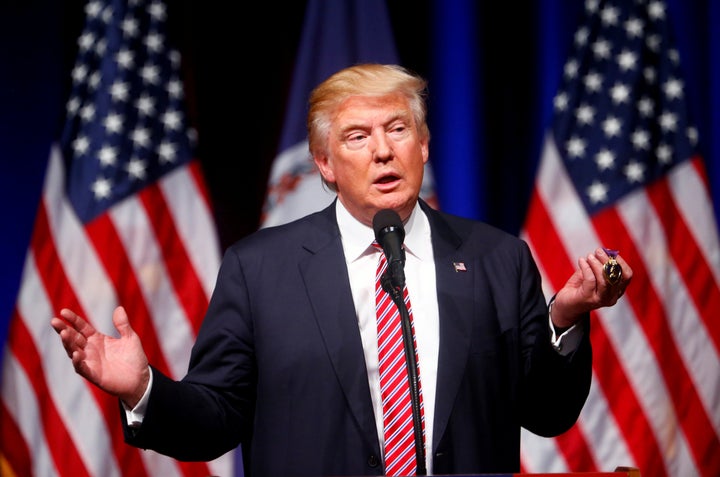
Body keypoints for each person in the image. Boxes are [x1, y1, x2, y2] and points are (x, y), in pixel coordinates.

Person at [51, 63, 632, 477]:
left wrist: (567, 318)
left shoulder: (496, 259)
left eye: (398, 129)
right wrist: (144, 388)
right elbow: (216, 421)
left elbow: (546, 413)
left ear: (424, 144)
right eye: (358, 136)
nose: (383, 151)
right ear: (325, 164)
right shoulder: (260, 270)